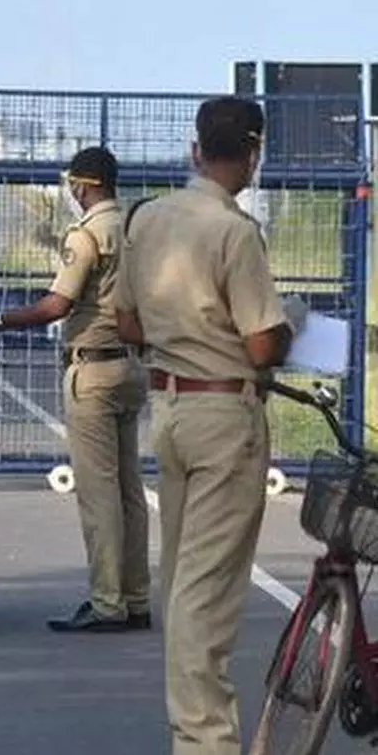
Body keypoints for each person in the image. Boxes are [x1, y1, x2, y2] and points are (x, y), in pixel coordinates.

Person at [114, 96, 307, 755]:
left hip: (167, 409)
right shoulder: (235, 232)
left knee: (180, 581)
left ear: (195, 150)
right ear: (252, 156)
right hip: (226, 414)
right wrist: (292, 328)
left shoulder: (147, 219)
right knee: (208, 592)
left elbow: (127, 323)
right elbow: (261, 347)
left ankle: (189, 733)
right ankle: (206, 743)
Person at [0, 146, 151, 633]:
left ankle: (107, 602)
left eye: (72, 185)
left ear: (84, 185)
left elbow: (56, 305)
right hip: (131, 366)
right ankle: (136, 597)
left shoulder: (86, 235)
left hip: (93, 371)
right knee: (129, 491)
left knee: (98, 494)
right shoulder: (132, 229)